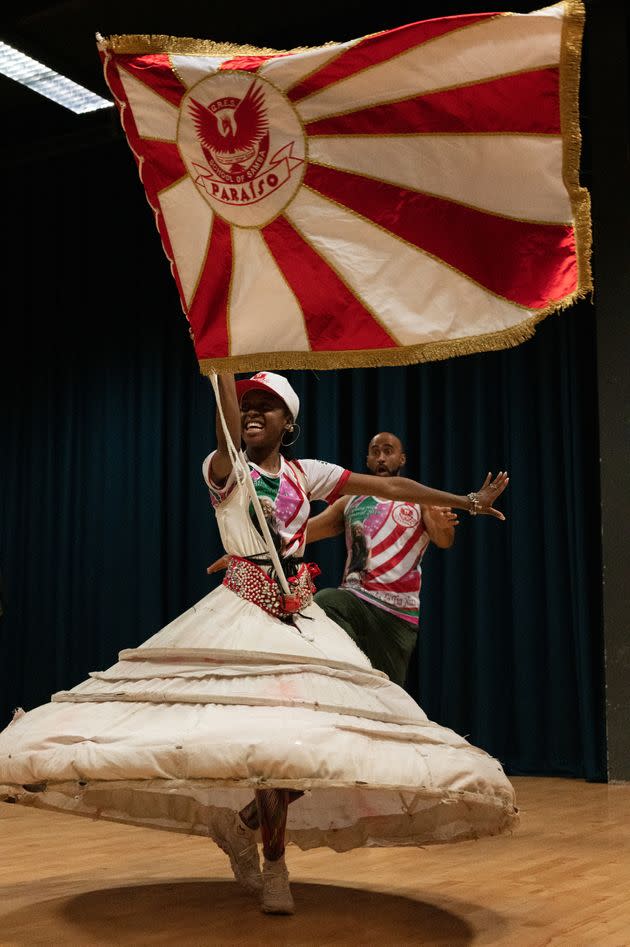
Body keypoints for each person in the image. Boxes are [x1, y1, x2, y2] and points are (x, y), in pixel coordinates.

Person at [0, 371, 515, 918]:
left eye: (267, 407)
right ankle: (275, 866)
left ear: (288, 422)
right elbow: (225, 427)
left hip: (299, 613)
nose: (253, 414)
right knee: (266, 737)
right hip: (243, 612)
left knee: (307, 741)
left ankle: (244, 825)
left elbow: (387, 487)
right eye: (248, 406)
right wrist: (220, 366)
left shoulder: (303, 473)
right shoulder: (227, 469)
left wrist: (467, 500)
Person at [310, 431, 458, 687]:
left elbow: (444, 539)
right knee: (326, 602)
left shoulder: (420, 500)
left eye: (388, 451)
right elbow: (302, 534)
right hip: (355, 600)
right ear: (367, 460)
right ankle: (346, 672)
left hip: (397, 616)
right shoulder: (351, 500)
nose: (381, 457)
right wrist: (251, 544)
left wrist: (443, 524)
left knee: (388, 695)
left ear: (402, 459)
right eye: (374, 451)